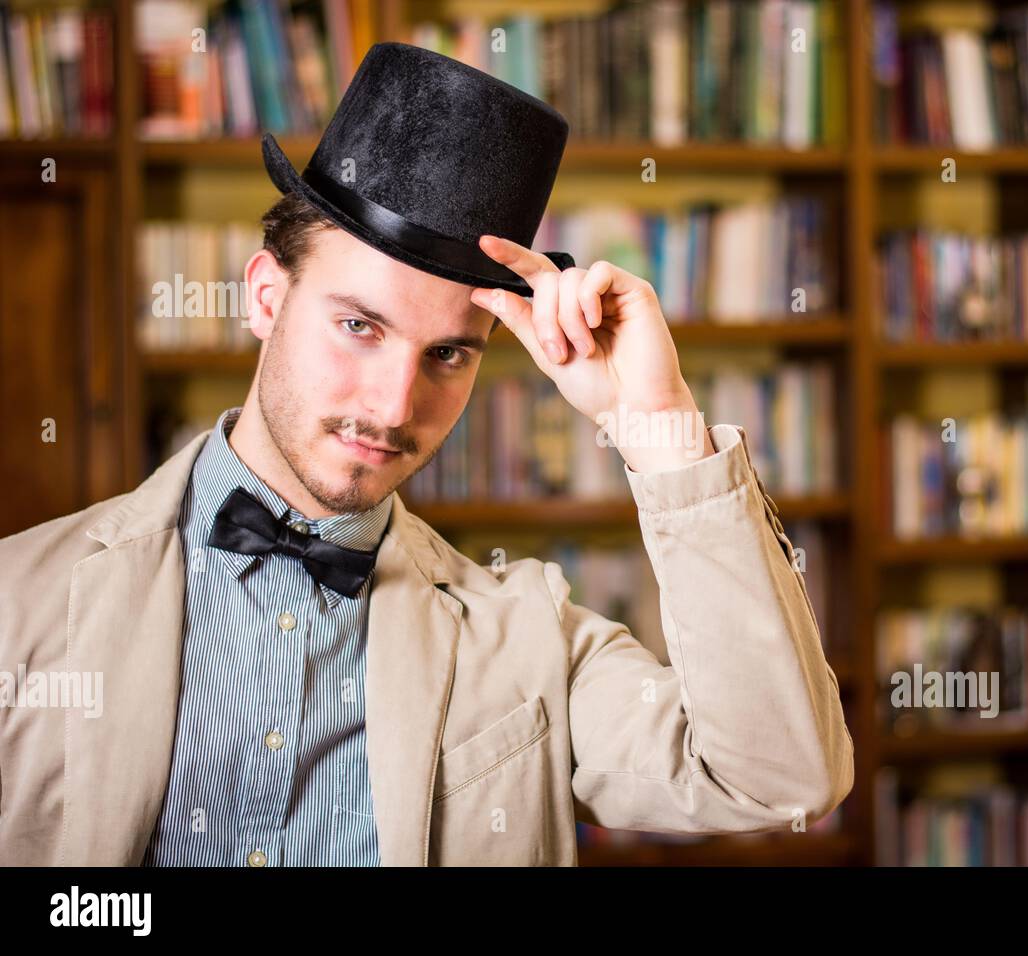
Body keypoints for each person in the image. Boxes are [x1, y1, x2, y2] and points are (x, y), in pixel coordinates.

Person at [0, 43, 853, 866]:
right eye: (359, 326)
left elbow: (777, 779)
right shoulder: (18, 602)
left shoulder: (529, 638)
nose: (394, 405)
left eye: (447, 353)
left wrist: (660, 427)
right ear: (267, 295)